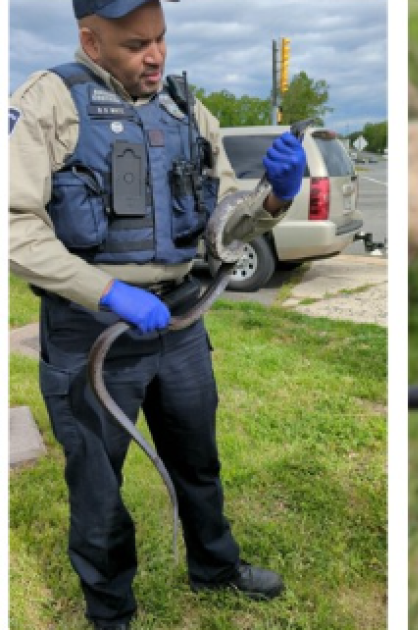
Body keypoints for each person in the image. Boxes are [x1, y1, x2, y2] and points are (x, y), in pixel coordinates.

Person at [8, 1, 305, 627]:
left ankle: (214, 566)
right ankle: (111, 612)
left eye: (161, 39)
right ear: (91, 39)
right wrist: (106, 292)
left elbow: (226, 222)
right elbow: (14, 230)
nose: (155, 56)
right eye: (135, 43)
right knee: (97, 486)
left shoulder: (187, 111)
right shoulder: (48, 102)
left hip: (182, 323)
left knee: (197, 458)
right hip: (92, 332)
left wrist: (275, 196)